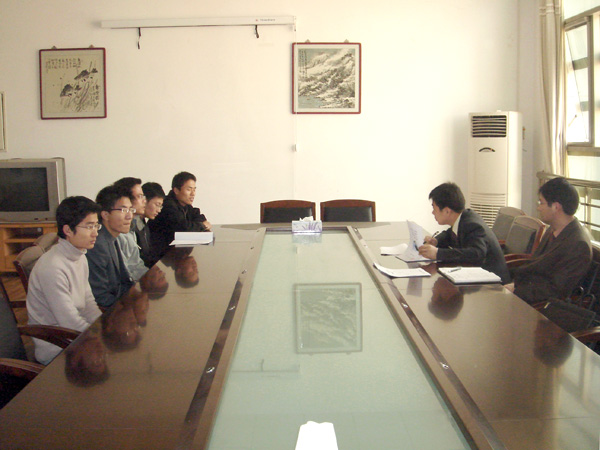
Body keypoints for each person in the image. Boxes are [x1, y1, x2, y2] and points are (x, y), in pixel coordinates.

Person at [27, 196, 103, 365]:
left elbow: (88, 302)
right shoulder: (53, 267)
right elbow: (68, 321)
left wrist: (102, 327)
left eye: (96, 225)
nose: (95, 232)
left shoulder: (80, 256)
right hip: (58, 346)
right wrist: (100, 338)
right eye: (89, 226)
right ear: (68, 230)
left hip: (77, 336)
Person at [505, 177, 592, 304]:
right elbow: (536, 266)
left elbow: (556, 290)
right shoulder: (553, 229)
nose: (538, 208)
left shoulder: (578, 244)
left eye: (541, 203)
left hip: (539, 305)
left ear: (556, 207)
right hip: (526, 289)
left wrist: (516, 290)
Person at [418, 182, 510, 283]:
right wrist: (436, 241)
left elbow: (476, 253)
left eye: (434, 208)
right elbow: (449, 234)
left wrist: (438, 253)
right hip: (475, 277)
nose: (432, 212)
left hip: (493, 284)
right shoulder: (464, 218)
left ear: (447, 211)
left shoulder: (473, 225)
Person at [86, 185, 135, 309]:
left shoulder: (111, 237)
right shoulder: (97, 244)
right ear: (105, 215)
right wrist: (128, 310)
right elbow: (100, 297)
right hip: (108, 311)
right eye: (123, 210)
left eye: (131, 210)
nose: (129, 216)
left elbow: (125, 280)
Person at [148, 171, 211, 258]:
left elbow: (197, 215)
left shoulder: (184, 204)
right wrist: (202, 225)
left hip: (172, 252)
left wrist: (200, 223)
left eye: (194, 189)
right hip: (160, 256)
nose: (193, 194)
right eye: (189, 189)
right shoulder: (167, 205)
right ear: (176, 190)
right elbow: (183, 228)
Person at [113, 177, 149, 280]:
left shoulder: (132, 227)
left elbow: (137, 265)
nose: (144, 201)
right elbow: (127, 273)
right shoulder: (118, 234)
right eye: (139, 196)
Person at [138, 181, 165, 267]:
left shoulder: (143, 224)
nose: (159, 210)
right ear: (144, 201)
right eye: (157, 205)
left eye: (160, 206)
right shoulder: (132, 227)